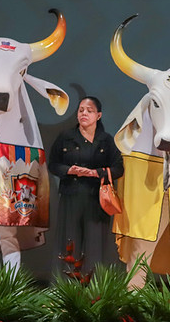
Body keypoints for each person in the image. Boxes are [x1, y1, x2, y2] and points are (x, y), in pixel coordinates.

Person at [49, 96, 124, 272]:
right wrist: (69, 170)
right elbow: (53, 164)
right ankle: (66, 285)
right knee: (69, 243)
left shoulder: (106, 140)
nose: (84, 113)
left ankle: (93, 285)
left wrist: (96, 173)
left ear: (98, 115)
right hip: (71, 196)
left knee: (95, 245)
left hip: (97, 200)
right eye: (81, 110)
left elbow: (119, 169)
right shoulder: (66, 137)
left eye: (89, 111)